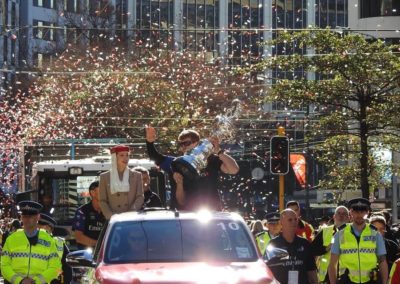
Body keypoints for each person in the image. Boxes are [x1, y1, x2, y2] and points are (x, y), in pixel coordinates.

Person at [145, 125, 239, 211]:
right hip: (184, 214)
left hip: (211, 211)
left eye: (186, 143)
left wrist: (218, 151)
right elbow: (155, 157)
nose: (183, 147)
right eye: (181, 144)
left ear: (197, 143)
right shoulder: (177, 163)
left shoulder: (212, 160)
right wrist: (149, 142)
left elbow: (234, 169)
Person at [328, 198, 388, 284]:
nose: (359, 215)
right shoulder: (339, 234)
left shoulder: (375, 234)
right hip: (347, 281)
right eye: (355, 211)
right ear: (350, 213)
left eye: (363, 211)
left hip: (370, 281)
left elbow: (382, 261)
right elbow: (332, 264)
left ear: (367, 213)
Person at [1, 201, 61, 284]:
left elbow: (56, 267)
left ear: (38, 217)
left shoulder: (49, 241)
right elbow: (4, 266)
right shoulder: (11, 239)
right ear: (21, 217)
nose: (27, 219)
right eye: (24, 216)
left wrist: (37, 281)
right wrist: (20, 281)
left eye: (30, 216)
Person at [267, 209, 318, 284]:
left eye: (295, 219)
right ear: (281, 223)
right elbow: (268, 271)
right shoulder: (274, 244)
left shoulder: (305, 243)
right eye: (290, 220)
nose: (294, 222)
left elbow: (312, 271)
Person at [99, 145, 144, 219]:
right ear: (114, 157)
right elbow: (102, 201)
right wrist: (111, 217)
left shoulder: (137, 175)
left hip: (131, 218)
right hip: (113, 220)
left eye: (127, 155)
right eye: (122, 155)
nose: (125, 158)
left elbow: (140, 197)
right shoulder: (104, 177)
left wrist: (131, 213)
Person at [311, 205, 350, 284]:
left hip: (347, 277)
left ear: (349, 217)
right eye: (338, 213)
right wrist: (326, 248)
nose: (341, 215)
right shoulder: (325, 231)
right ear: (334, 216)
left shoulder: (354, 232)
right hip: (326, 277)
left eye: (344, 213)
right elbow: (312, 250)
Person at [38, 213, 72, 284]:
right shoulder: (27, 241)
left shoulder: (59, 244)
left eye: (41, 225)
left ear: (50, 228)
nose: (38, 228)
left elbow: (67, 270)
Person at [72, 181, 106, 249]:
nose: (105, 193)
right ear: (93, 193)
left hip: (106, 253)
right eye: (102, 190)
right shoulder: (82, 211)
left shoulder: (109, 211)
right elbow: (79, 237)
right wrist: (100, 245)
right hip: (86, 254)